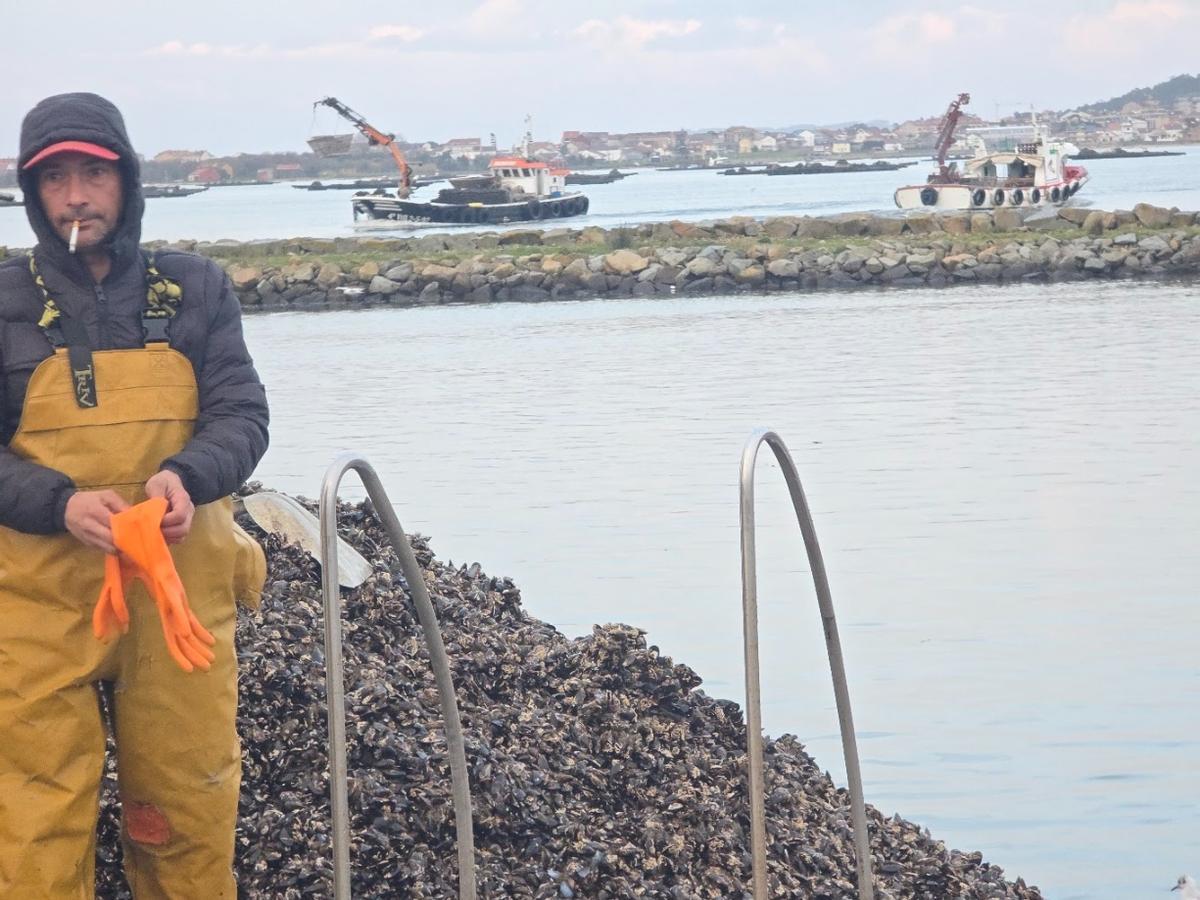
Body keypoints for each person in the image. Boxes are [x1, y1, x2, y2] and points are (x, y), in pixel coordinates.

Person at [0, 92, 269, 897]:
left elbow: (241, 414)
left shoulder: (196, 288)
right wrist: (58, 504)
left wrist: (189, 477)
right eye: (56, 181)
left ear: (127, 181)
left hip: (177, 598)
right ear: (34, 195)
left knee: (186, 803)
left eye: (94, 173)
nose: (77, 195)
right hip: (37, 606)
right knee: (36, 814)